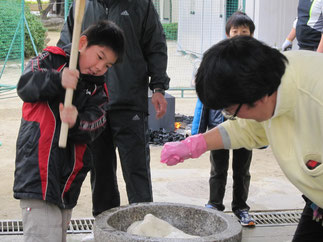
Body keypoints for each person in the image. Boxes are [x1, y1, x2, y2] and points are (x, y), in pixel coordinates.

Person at [161, 36, 323, 240]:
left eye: (229, 111)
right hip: (316, 200)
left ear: (260, 97)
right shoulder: (269, 80)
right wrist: (195, 144)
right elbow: (246, 129)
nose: (231, 117)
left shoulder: (315, 98)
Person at [13, 20, 125, 242]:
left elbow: (95, 126)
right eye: (100, 57)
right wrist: (58, 79)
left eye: (107, 66)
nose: (100, 68)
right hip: (37, 173)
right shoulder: (51, 59)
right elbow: (25, 85)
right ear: (82, 43)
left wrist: (76, 121)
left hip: (68, 183)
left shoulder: (97, 91)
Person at [58, 0, 170, 217]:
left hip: (130, 101)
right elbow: (67, 44)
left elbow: (156, 44)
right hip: (92, 102)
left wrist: (158, 87)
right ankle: (105, 228)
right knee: (100, 172)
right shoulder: (82, 4)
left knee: (136, 170)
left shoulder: (141, 5)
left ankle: (144, 227)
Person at [191, 11, 255, 227]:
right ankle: (214, 205)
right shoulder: (217, 59)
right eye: (234, 32)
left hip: (246, 127)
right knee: (218, 168)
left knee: (242, 170)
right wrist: (198, 130)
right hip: (220, 126)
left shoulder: (256, 63)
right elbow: (206, 96)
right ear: (228, 34)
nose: (238, 36)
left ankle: (241, 208)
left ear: (251, 35)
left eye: (243, 32)